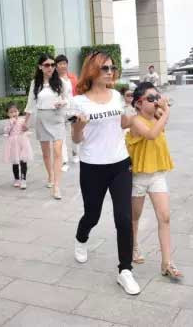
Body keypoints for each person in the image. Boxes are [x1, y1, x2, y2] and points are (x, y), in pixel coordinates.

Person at [71, 51, 140, 295]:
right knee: (92, 214)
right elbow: (76, 139)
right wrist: (79, 126)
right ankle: (81, 238)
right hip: (92, 165)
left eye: (112, 68)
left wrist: (143, 114)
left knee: (124, 218)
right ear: (92, 70)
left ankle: (125, 270)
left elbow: (122, 123)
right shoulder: (79, 102)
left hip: (120, 163)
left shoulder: (116, 96)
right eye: (105, 68)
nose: (110, 72)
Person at [126, 82, 182, 279]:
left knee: (165, 216)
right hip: (138, 176)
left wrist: (162, 112)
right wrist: (166, 113)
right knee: (135, 216)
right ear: (138, 103)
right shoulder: (135, 121)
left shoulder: (158, 117)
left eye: (157, 97)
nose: (156, 101)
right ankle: (134, 245)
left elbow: (159, 127)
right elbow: (150, 135)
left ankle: (167, 262)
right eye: (150, 98)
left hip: (157, 174)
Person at [23, 53, 71, 199]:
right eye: (47, 65)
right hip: (41, 118)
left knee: (57, 151)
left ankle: (56, 186)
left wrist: (62, 102)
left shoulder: (61, 82)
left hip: (57, 118)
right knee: (46, 153)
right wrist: (25, 122)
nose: (50, 67)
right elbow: (30, 104)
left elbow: (68, 100)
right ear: (40, 67)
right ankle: (50, 175)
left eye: (52, 65)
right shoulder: (35, 83)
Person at [56, 54, 80, 170]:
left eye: (64, 63)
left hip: (73, 110)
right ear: (56, 66)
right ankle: (64, 161)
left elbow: (78, 92)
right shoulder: (54, 80)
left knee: (74, 132)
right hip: (61, 111)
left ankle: (75, 153)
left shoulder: (73, 77)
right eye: (60, 64)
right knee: (62, 135)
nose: (63, 66)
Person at [3, 102, 33, 190]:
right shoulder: (8, 122)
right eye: (11, 112)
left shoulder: (22, 120)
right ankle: (16, 179)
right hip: (13, 144)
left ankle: (23, 179)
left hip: (22, 142)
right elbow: (6, 131)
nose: (14, 114)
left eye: (15, 111)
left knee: (23, 161)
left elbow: (26, 128)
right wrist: (11, 124)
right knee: (15, 162)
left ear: (18, 112)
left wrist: (26, 127)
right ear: (8, 114)